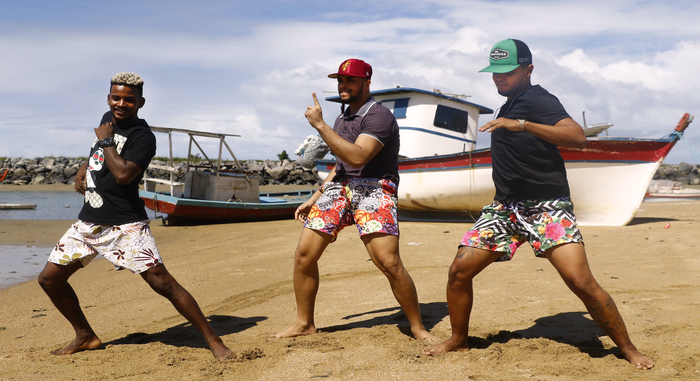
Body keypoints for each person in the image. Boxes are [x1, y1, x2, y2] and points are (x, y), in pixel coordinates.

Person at [422, 40, 654, 370]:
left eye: (507, 72)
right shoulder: (509, 103)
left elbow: (577, 137)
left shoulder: (538, 100)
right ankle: (458, 340)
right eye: (495, 74)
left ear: (528, 69)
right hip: (504, 209)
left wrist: (522, 124)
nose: (499, 79)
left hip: (547, 208)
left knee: (580, 281)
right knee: (459, 271)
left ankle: (628, 349)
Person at [37, 72, 233, 360]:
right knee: (49, 279)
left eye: (129, 100)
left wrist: (105, 142)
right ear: (108, 98)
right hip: (89, 223)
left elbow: (124, 174)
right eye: (116, 97)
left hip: (125, 224)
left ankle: (214, 341)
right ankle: (85, 335)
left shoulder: (144, 138)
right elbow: (97, 153)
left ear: (141, 102)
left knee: (162, 283)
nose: (121, 104)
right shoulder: (108, 118)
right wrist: (84, 166)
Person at [271, 59, 435, 341]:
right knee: (304, 255)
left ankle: (417, 327)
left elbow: (358, 156)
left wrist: (320, 125)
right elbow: (341, 164)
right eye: (340, 81)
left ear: (366, 83)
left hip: (374, 186)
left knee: (388, 262)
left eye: (350, 80)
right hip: (340, 187)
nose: (343, 85)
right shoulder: (342, 119)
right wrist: (315, 196)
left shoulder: (378, 116)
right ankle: (304, 323)